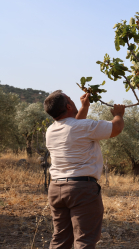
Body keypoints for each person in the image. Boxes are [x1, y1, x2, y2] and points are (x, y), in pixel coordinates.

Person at [43, 90, 125, 249]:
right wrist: (119, 114)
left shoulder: (51, 130)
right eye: (70, 100)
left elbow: (74, 126)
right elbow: (116, 128)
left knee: (60, 240)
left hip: (56, 189)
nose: (73, 100)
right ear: (68, 106)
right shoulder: (83, 127)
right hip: (81, 190)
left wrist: (84, 107)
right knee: (85, 241)